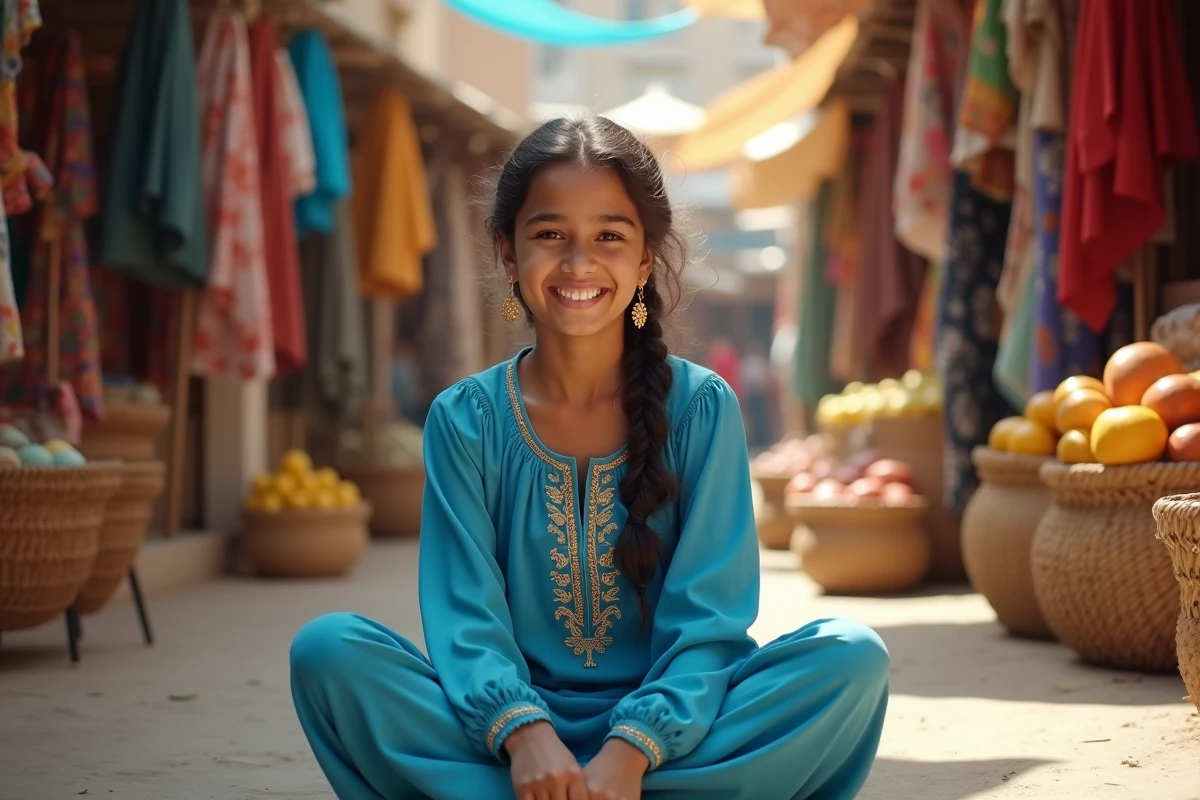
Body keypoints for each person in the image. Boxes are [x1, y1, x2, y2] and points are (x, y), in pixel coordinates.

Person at [289, 116, 889, 800]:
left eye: (609, 235)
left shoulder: (701, 408)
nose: (578, 262)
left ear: (643, 260)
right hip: (503, 741)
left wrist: (631, 751)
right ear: (508, 255)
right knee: (329, 651)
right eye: (550, 235)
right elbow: (466, 616)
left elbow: (709, 619)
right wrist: (524, 734)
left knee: (850, 659)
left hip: (674, 743)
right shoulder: (466, 419)